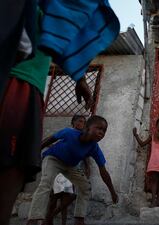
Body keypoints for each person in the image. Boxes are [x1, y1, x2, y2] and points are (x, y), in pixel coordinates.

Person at [0, 8, 93, 225]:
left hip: (26, 82)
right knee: (16, 173)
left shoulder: (89, 143)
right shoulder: (69, 133)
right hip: (18, 81)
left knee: (16, 171)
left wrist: (79, 77)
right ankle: (36, 219)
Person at [26, 115, 118, 225]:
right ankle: (34, 219)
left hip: (71, 166)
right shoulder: (69, 133)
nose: (102, 133)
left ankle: (79, 219)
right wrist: (35, 153)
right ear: (87, 128)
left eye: (104, 131)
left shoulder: (94, 147)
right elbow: (50, 139)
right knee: (46, 183)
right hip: (53, 159)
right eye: (99, 128)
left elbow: (103, 171)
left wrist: (112, 192)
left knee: (86, 187)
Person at [45, 115, 91, 225]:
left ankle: (56, 219)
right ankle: (49, 219)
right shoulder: (68, 133)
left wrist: (87, 166)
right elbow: (54, 143)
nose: (82, 124)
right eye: (79, 121)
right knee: (55, 197)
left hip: (73, 170)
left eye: (84, 122)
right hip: (60, 167)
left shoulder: (83, 137)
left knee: (69, 196)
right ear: (73, 123)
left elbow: (85, 154)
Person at [133, 118, 159, 208]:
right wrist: (136, 135)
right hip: (154, 161)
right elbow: (142, 144)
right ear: (156, 126)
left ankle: (158, 201)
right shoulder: (153, 135)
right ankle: (153, 201)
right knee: (154, 181)